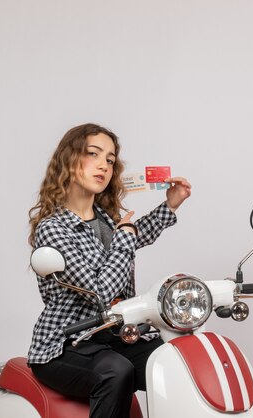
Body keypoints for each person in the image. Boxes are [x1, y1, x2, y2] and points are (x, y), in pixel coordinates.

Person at [27, 123, 191, 418]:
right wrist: (125, 234)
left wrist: (170, 206)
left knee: (172, 359)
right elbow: (100, 293)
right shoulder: (53, 229)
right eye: (93, 154)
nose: (103, 165)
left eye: (110, 160)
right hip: (64, 343)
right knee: (115, 371)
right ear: (69, 159)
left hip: (111, 336)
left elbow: (134, 236)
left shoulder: (105, 219)